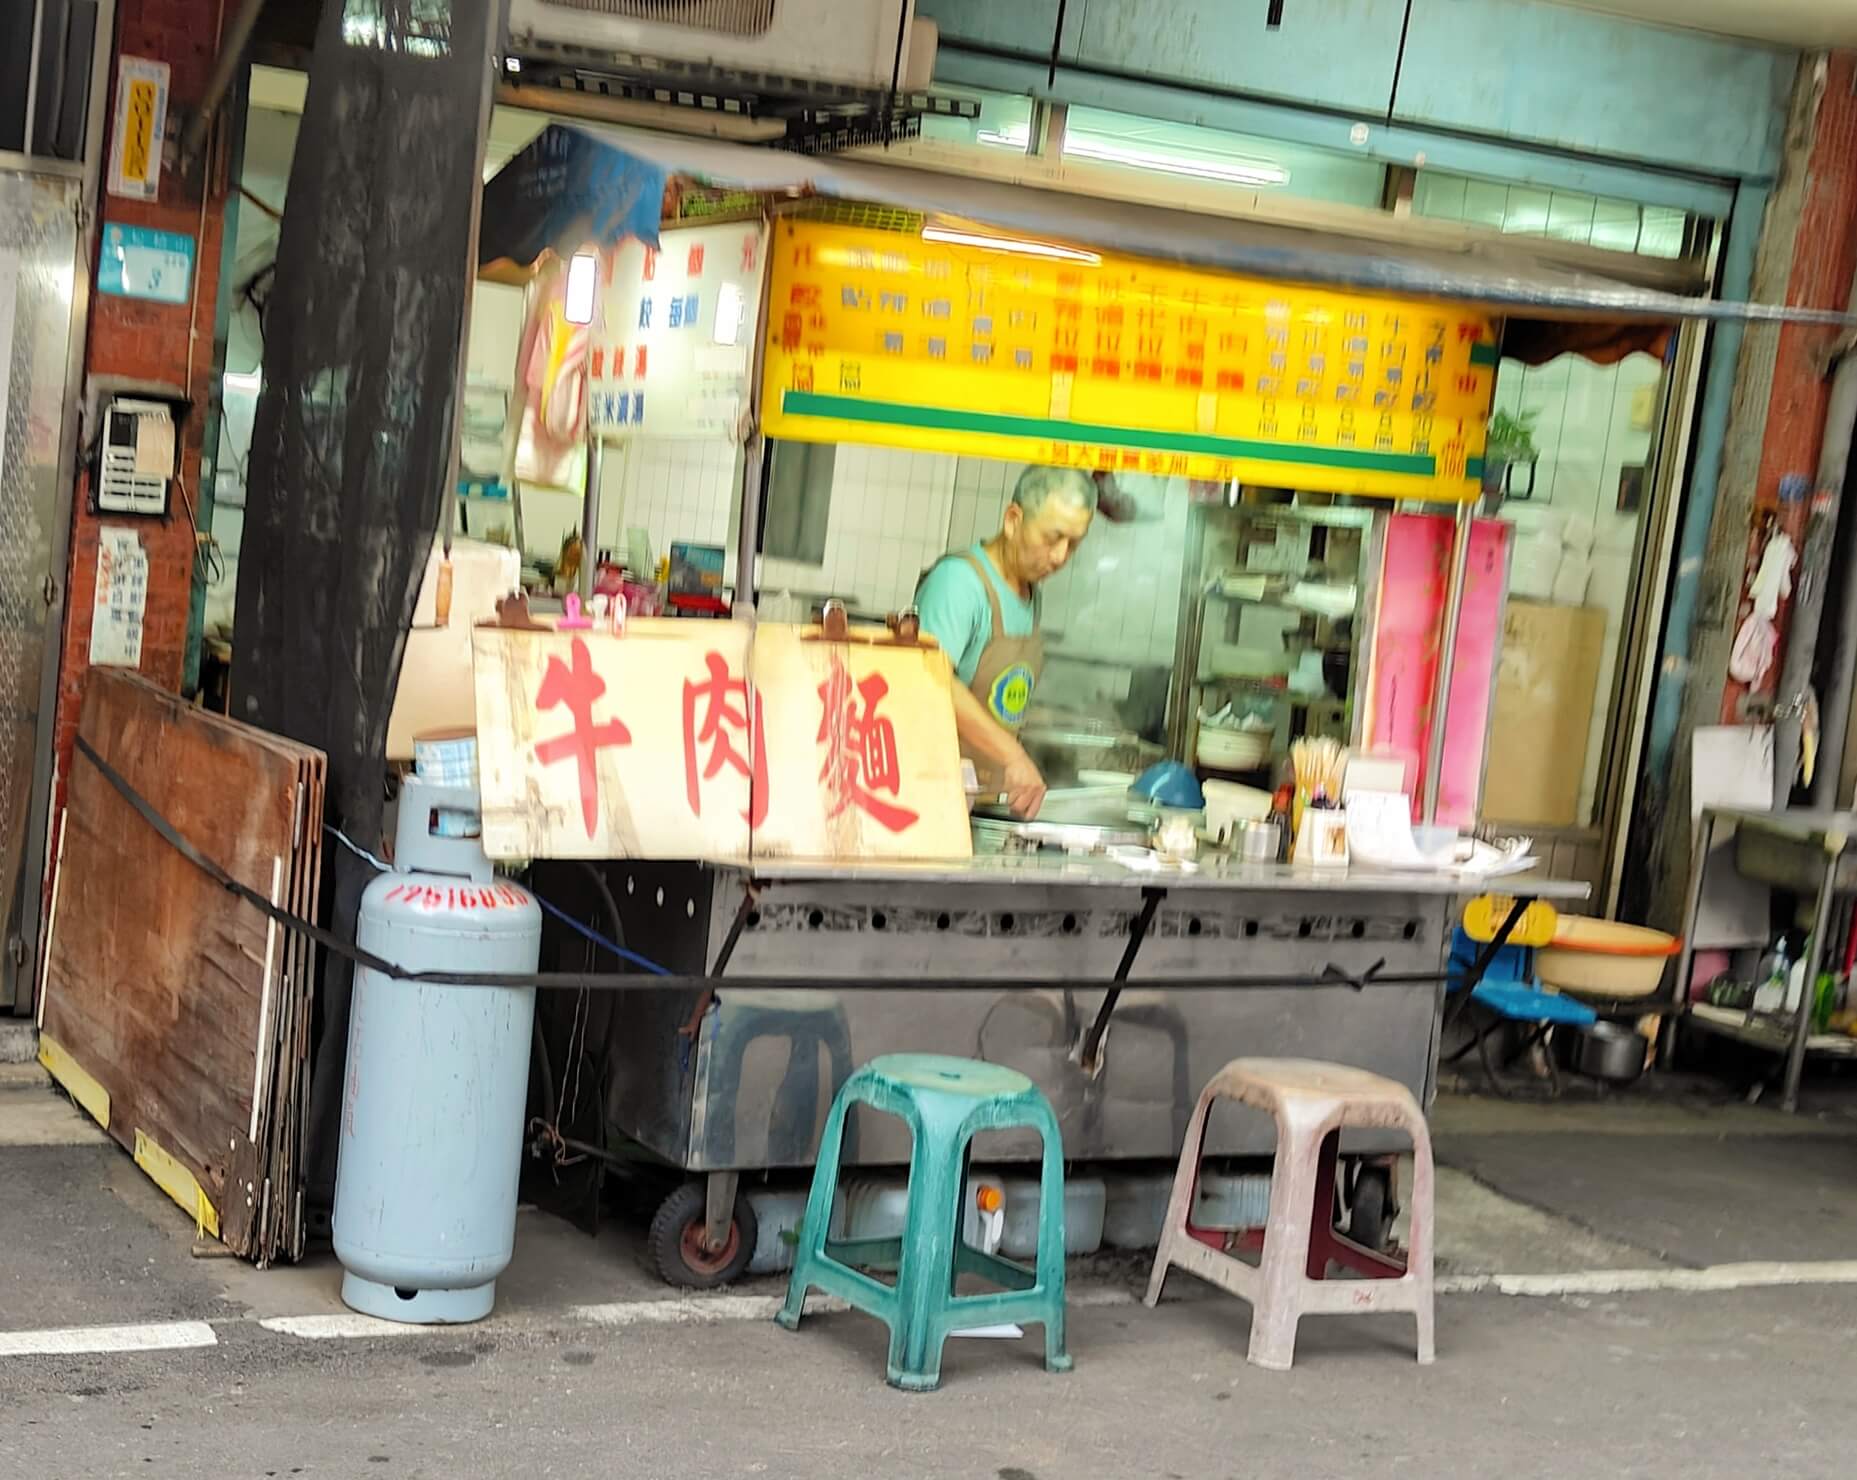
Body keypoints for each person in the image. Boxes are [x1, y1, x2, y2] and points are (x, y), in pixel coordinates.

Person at [914, 465, 1097, 819]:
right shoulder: (959, 583)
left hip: (980, 803)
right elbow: (931, 680)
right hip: (931, 798)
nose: (1060, 557)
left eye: (1073, 544)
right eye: (1052, 538)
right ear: (1013, 519)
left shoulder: (1030, 593)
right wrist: (1013, 755)